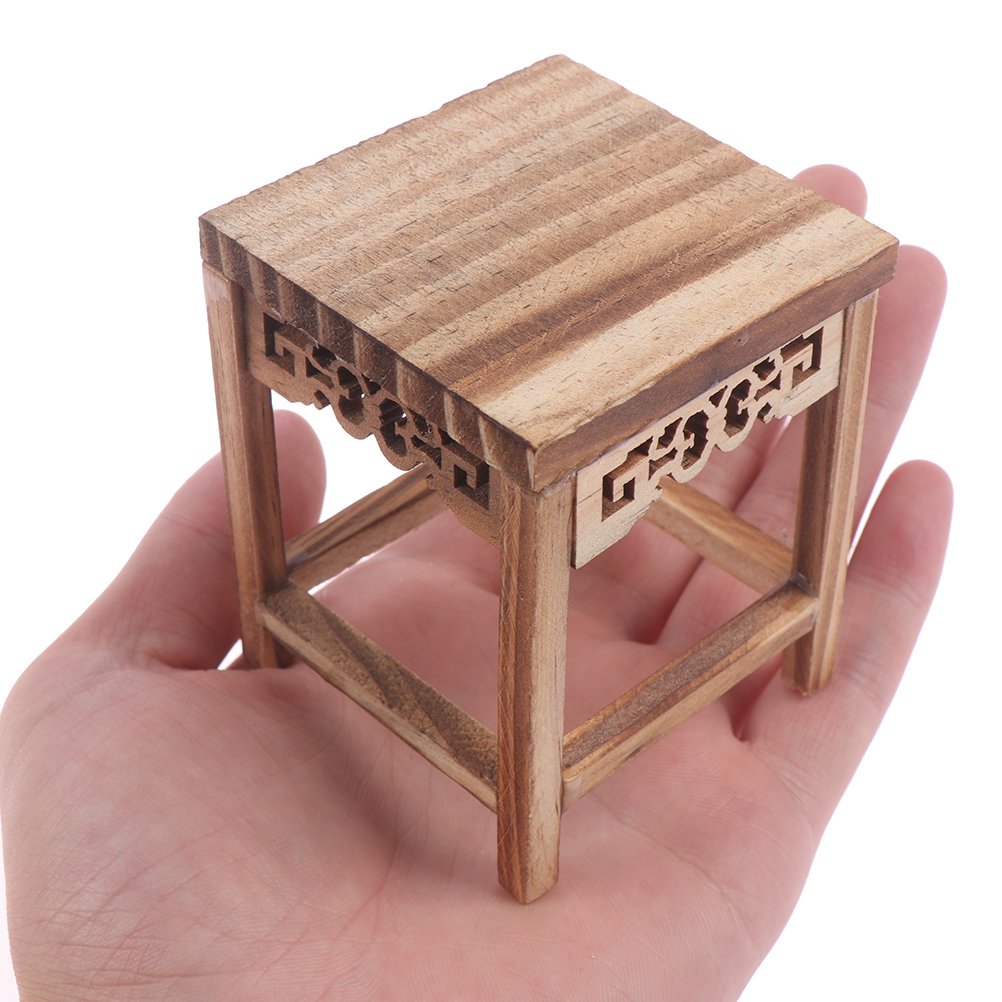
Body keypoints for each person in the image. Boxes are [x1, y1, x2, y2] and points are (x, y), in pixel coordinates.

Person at [0, 166, 951, 1001]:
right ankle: (746, 654)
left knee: (569, 482)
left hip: (613, 336)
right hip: (501, 376)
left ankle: (785, 628)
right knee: (530, 476)